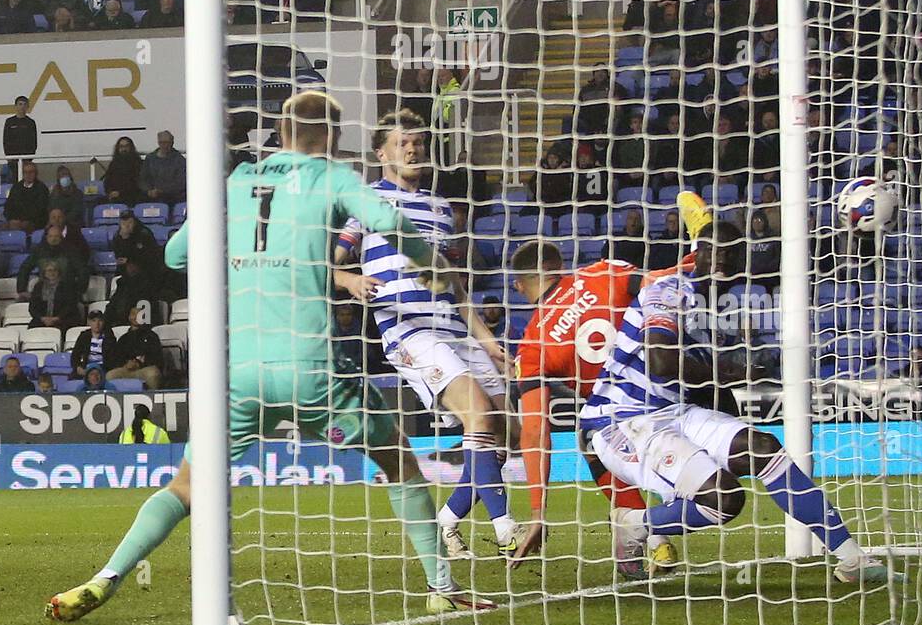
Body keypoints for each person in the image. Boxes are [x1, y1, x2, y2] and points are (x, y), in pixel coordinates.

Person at [48, 90, 490, 623]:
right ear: (332, 137)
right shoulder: (334, 179)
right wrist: (432, 263)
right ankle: (441, 585)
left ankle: (105, 578)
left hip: (242, 373)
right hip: (315, 370)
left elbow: (174, 254)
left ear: (279, 134)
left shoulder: (235, 184)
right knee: (399, 462)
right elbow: (393, 224)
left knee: (186, 486)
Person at [579, 220, 893, 584]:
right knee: (726, 500)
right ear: (699, 254)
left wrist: (732, 433)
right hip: (621, 421)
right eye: (715, 250)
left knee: (763, 448)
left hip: (675, 413)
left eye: (732, 251)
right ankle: (634, 524)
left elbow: (709, 386)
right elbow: (661, 361)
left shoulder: (718, 311)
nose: (723, 258)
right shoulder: (668, 291)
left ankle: (853, 560)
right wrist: (734, 371)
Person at [334, 109, 519, 561]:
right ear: (382, 153)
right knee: (478, 413)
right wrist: (351, 280)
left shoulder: (439, 208)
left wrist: (486, 338)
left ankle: (448, 522)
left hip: (454, 329)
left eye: (417, 142)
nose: (412, 149)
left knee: (506, 431)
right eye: (402, 143)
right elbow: (331, 263)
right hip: (408, 329)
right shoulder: (368, 200)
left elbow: (450, 282)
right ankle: (507, 528)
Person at [507, 191, 715, 572]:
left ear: (520, 286)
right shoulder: (602, 272)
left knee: (590, 437)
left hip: (620, 413)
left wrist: (538, 512)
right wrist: (694, 260)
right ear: (559, 265)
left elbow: (535, 431)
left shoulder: (532, 342)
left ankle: (650, 535)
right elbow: (659, 285)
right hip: (675, 382)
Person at [106, 308, 163, 389]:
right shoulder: (123, 338)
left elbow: (157, 358)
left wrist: (138, 363)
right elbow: (117, 357)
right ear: (129, 317)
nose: (136, 317)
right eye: (133, 314)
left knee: (153, 374)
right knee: (110, 376)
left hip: (144, 369)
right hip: (126, 370)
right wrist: (126, 364)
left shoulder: (152, 336)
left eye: (139, 315)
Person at [71, 308, 119, 379]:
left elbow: (113, 358)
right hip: (87, 367)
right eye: (94, 321)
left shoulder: (109, 337)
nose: (97, 324)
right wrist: (78, 367)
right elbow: (75, 355)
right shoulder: (84, 336)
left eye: (100, 321)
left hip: (103, 368)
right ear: (89, 322)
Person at [2, 95, 37, 181]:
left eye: (24, 104)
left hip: (26, 160)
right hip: (13, 160)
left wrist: (29, 158)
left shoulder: (31, 122)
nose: (22, 107)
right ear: (16, 106)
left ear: (28, 107)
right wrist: (9, 157)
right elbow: (5, 140)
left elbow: (34, 142)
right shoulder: (9, 122)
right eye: (20, 104)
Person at [102, 135, 144, 205]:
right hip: (114, 195)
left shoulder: (138, 163)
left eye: (126, 146)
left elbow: (137, 183)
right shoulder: (114, 164)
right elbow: (107, 181)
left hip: (132, 196)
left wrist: (120, 193)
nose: (124, 149)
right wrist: (110, 192)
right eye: (121, 147)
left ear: (131, 148)